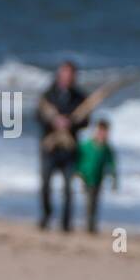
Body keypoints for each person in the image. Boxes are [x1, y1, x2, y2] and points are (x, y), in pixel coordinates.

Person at [37, 61, 89, 232]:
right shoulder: (48, 95)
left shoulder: (80, 97)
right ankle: (46, 216)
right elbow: (37, 116)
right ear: (59, 75)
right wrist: (53, 121)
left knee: (68, 188)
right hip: (50, 148)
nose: (67, 77)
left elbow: (86, 121)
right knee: (45, 185)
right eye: (64, 74)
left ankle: (66, 224)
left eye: (70, 74)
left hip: (69, 149)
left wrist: (71, 123)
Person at [74, 119, 118, 235]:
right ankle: (89, 224)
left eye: (105, 131)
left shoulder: (106, 148)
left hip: (98, 178)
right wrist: (77, 172)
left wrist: (114, 180)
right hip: (86, 177)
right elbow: (78, 159)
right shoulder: (86, 145)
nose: (102, 134)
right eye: (100, 131)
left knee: (95, 201)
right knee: (89, 200)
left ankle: (91, 224)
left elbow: (112, 164)